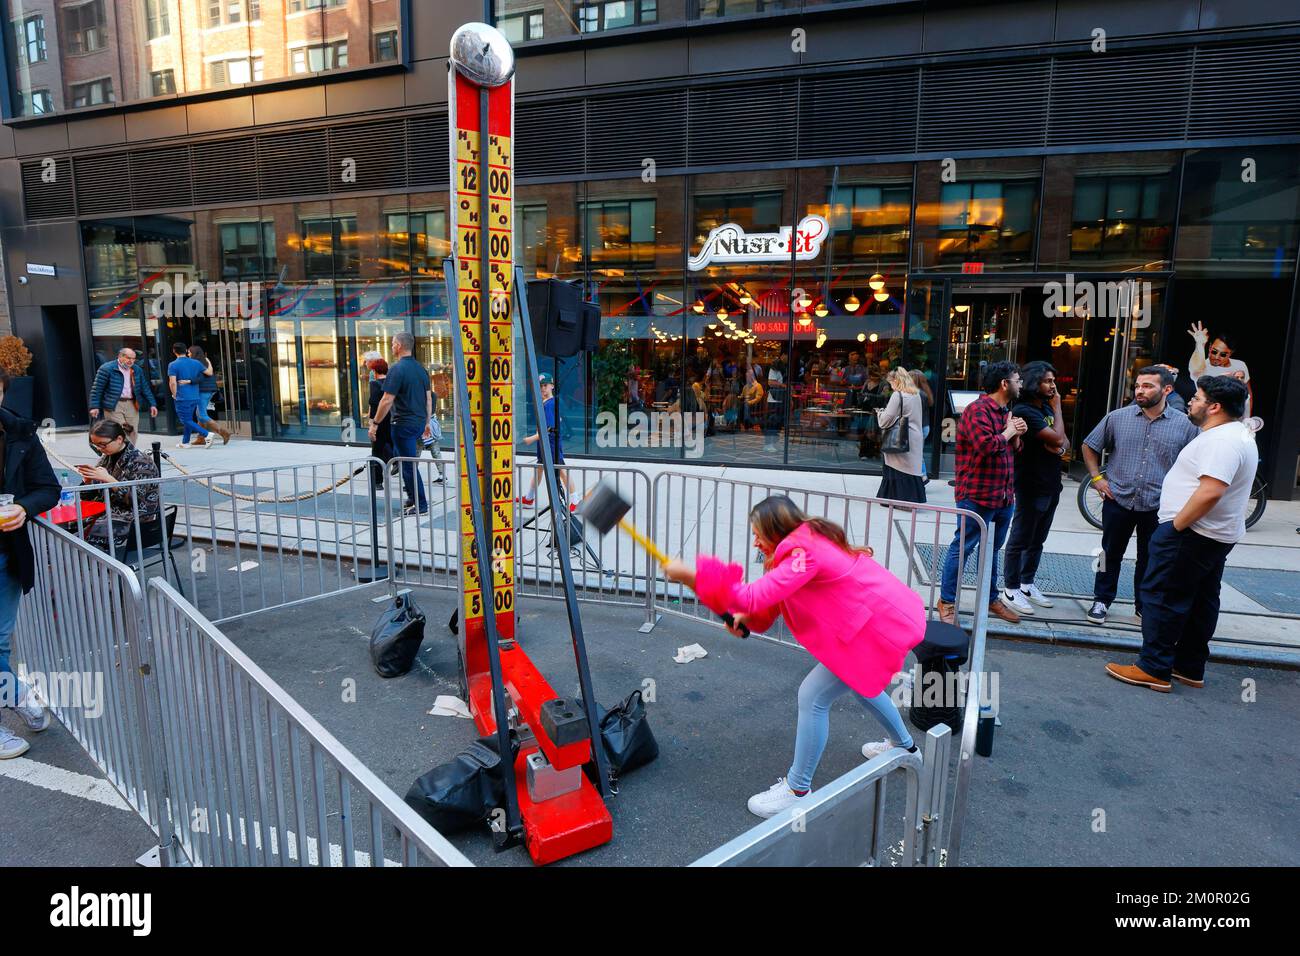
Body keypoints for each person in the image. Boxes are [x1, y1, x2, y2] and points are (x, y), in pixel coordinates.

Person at [664, 496, 923, 818]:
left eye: (758, 533)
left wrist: (692, 576)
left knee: (812, 696)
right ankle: (905, 747)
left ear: (777, 529)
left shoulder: (805, 552)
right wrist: (742, 618)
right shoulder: (794, 554)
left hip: (871, 631)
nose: (755, 541)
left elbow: (753, 595)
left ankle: (798, 790)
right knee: (860, 685)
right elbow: (762, 611)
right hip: (863, 632)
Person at [1105, 376, 1257, 692]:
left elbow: (1211, 491)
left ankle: (1154, 667)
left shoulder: (1222, 441)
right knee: (1200, 599)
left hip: (1192, 533)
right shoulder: (1234, 434)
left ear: (1214, 407)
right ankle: (1187, 666)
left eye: (1198, 397)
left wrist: (1174, 527)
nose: (1191, 401)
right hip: (1211, 535)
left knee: (1162, 595)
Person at [1082, 365, 1199, 625]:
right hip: (1118, 499)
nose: (1140, 391)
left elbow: (1196, 463)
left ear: (1167, 390)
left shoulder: (1185, 426)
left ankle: (1143, 606)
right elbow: (1089, 445)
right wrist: (1097, 479)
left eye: (1148, 386)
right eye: (1137, 385)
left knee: (1151, 558)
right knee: (1107, 553)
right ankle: (1100, 600)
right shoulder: (1117, 417)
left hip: (1158, 504)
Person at [937, 360, 1027, 626]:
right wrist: (1010, 430)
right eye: (1017, 379)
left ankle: (990, 598)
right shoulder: (978, 410)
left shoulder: (1004, 412)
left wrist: (1017, 435)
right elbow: (985, 447)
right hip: (976, 494)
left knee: (992, 550)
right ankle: (947, 600)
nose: (1020, 383)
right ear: (1004, 384)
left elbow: (1011, 450)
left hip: (1003, 495)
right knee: (963, 548)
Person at [0, 375, 60, 758]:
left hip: (7, 555)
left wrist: (23, 507)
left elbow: (48, 488)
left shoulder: (18, 431)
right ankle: (19, 695)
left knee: (1, 643)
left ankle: (15, 694)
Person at [1000, 361, 1068, 616]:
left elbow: (1063, 442)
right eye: (1048, 381)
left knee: (1038, 539)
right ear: (1033, 383)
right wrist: (1058, 411)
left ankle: (1027, 583)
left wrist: (1059, 447)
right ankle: (1011, 588)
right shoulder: (1024, 410)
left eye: (1053, 381)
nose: (1053, 386)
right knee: (1021, 537)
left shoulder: (1044, 410)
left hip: (1051, 483)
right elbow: (1059, 438)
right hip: (1030, 483)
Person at [76, 420, 162, 555]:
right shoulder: (106, 458)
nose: (99, 449)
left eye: (102, 444)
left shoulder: (142, 462)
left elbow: (136, 501)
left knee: (84, 538)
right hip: (108, 513)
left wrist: (109, 480)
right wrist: (87, 482)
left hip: (136, 517)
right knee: (70, 529)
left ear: (119, 439)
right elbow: (90, 498)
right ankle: (87, 569)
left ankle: (96, 571)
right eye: (95, 445)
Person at [370, 331, 432, 516]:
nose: (391, 346)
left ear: (398, 345)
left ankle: (420, 505)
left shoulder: (397, 369)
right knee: (404, 459)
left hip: (403, 424)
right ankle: (413, 498)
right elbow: (428, 399)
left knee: (407, 466)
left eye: (392, 343)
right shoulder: (421, 369)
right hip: (419, 422)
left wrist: (375, 423)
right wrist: (427, 422)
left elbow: (386, 400)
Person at [521, 372, 575, 511]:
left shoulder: (550, 404)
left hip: (551, 443)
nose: (543, 388)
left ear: (552, 386)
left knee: (561, 470)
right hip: (544, 443)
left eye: (545, 385)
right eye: (540, 386)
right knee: (539, 468)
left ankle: (576, 499)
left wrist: (531, 439)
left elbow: (549, 428)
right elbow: (557, 420)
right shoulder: (547, 402)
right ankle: (529, 498)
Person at [875, 367, 925, 504]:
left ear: (897, 381)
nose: (891, 386)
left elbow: (886, 419)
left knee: (895, 468)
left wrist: (880, 413)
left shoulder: (898, 395)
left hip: (899, 436)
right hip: (914, 436)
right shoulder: (916, 394)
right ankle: (909, 500)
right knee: (910, 469)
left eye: (891, 383)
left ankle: (892, 499)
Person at [88, 348, 158, 445]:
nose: (131, 361)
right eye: (128, 358)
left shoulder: (136, 369)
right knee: (119, 430)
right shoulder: (106, 368)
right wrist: (94, 406)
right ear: (120, 356)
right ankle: (119, 454)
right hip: (113, 405)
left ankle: (128, 453)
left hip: (132, 404)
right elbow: (97, 389)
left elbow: (144, 387)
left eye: (134, 359)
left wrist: (152, 404)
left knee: (132, 431)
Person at [1187, 322, 1251, 415]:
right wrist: (1200, 344)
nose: (1217, 357)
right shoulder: (1203, 366)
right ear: (1209, 347)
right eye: (1214, 351)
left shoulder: (1240, 365)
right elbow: (1195, 369)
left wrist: (1247, 419)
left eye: (1223, 354)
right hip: (1208, 417)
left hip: (1232, 418)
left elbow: (1247, 395)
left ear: (1231, 353)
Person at [167, 342, 209, 449]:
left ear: (174, 351)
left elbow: (172, 382)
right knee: (188, 419)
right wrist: (207, 360)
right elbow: (208, 373)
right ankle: (185, 442)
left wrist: (174, 394)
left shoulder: (173, 365)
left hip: (182, 396)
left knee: (185, 420)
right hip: (195, 395)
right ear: (186, 350)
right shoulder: (196, 363)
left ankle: (207, 434)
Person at [188, 345, 232, 444]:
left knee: (202, 414)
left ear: (194, 353)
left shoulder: (196, 363)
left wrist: (188, 381)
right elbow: (210, 372)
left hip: (203, 390)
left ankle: (224, 432)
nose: (188, 354)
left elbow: (203, 376)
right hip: (209, 390)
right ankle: (201, 438)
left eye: (189, 352)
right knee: (200, 413)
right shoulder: (206, 359)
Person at [366, 357, 394, 481]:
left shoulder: (374, 384)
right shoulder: (392, 382)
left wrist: (372, 423)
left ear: (375, 371)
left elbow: (373, 404)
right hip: (393, 419)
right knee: (395, 446)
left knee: (377, 450)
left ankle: (377, 480)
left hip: (380, 421)